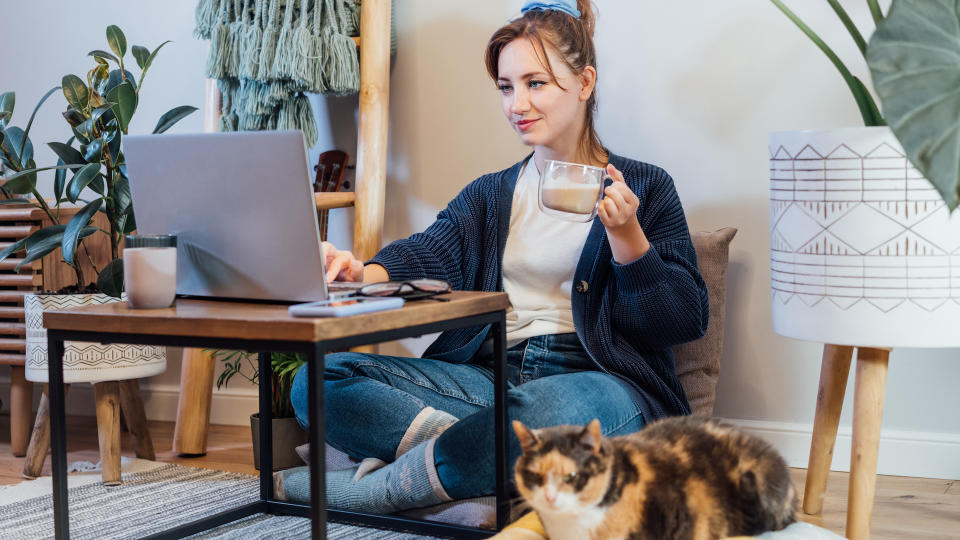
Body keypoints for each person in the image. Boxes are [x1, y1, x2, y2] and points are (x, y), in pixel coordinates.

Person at [276, 0, 709, 513]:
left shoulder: (645, 187)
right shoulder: (490, 194)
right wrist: (361, 271)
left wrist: (629, 239)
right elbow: (430, 251)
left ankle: (378, 490)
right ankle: (473, 456)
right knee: (317, 380)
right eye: (506, 87)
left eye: (535, 83)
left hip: (599, 385)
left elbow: (682, 319)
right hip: (490, 377)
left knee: (528, 420)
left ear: (585, 83)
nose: (516, 104)